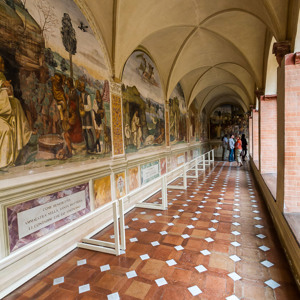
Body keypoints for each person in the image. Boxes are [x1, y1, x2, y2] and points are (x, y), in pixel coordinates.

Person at [78, 81, 95, 153]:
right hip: (82, 116)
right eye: (80, 87)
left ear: (84, 87)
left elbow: (89, 107)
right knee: (84, 131)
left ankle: (93, 146)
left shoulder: (87, 95)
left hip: (87, 115)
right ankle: (87, 146)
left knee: (89, 130)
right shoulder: (80, 95)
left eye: (82, 87)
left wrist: (83, 106)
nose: (81, 88)